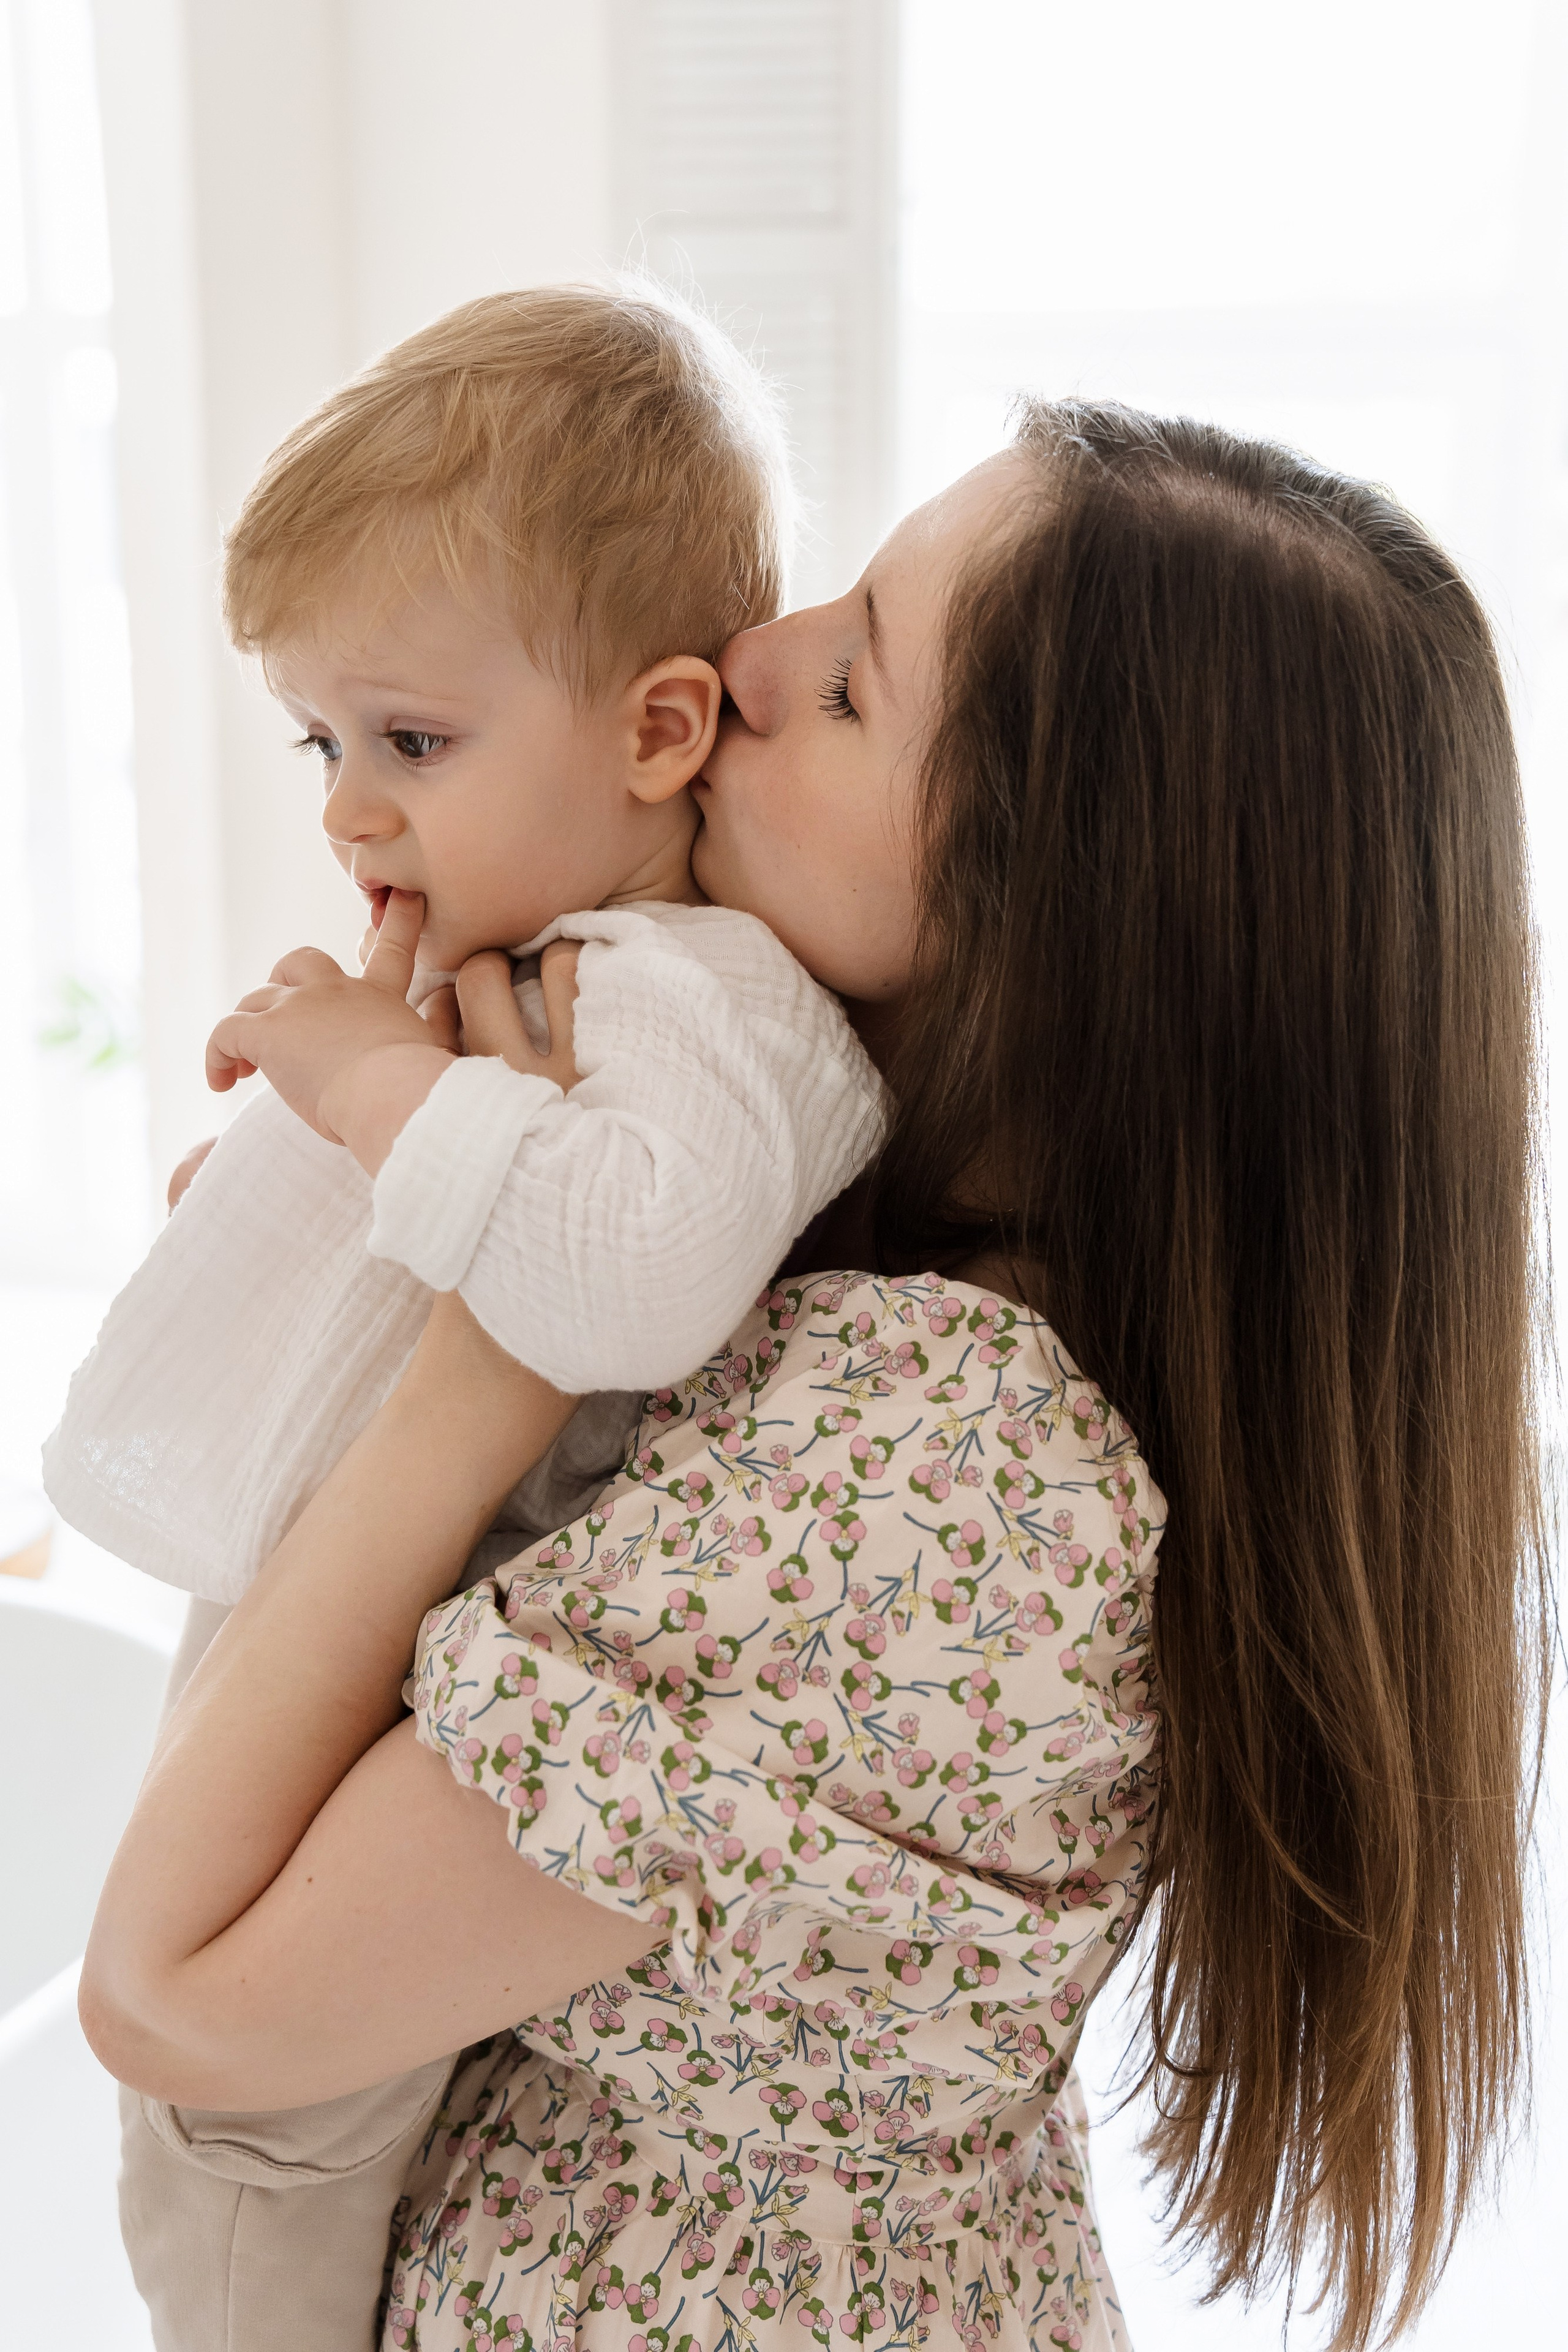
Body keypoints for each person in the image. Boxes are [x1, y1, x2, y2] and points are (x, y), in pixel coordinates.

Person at [81, 399, 1547, 2352]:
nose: (750, 658)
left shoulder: (956, 1467)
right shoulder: (868, 1285)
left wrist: (483, 1350)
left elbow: (175, 1996)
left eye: (853, 684)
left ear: (1065, 919)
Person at [47, 282, 884, 2352]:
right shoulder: (569, 951)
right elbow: (497, 1214)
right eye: (324, 740)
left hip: (411, 1687)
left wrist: (372, 1090)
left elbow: (631, 1270)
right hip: (356, 1627)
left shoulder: (703, 995)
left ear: (661, 729)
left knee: (249, 2160)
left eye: (411, 741)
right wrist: (324, 1182)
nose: (350, 804)